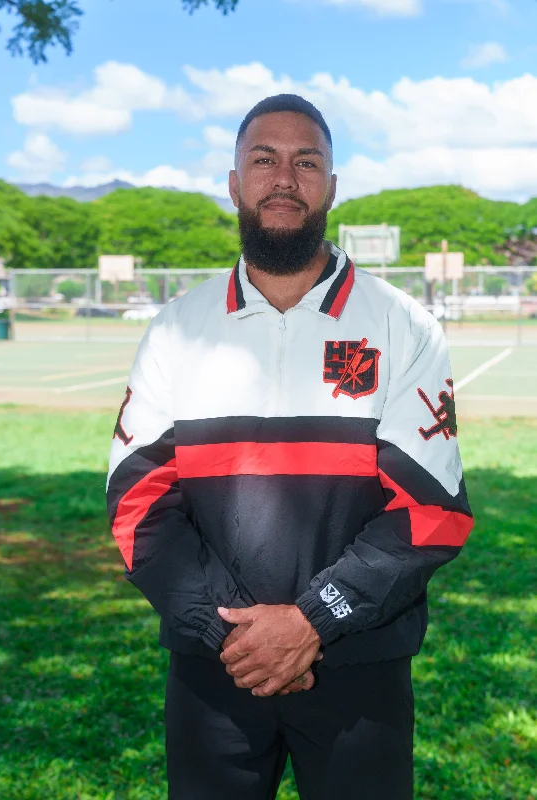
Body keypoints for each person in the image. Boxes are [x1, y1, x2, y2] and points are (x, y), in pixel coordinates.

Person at [106, 94, 473, 800]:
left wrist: (313, 620)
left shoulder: (405, 325)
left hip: (359, 668)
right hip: (214, 675)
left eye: (307, 162)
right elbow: (135, 503)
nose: (285, 178)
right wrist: (233, 637)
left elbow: (431, 511)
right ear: (235, 183)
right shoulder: (176, 329)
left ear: (332, 187)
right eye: (263, 160)